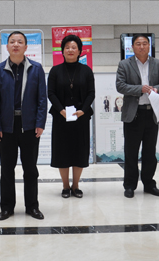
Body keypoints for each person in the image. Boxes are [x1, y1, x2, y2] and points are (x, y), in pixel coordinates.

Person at [0, 31, 47, 221]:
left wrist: (40, 123)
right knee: (7, 169)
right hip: (7, 126)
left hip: (29, 126)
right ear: (7, 46)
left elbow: (42, 99)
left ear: (26, 47)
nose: (16, 44)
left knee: (30, 169)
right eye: (12, 42)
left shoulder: (36, 69)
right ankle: (7, 207)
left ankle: (32, 206)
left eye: (20, 42)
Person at [116, 34, 159, 198]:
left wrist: (157, 89)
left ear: (149, 46)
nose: (142, 46)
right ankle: (130, 185)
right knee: (131, 152)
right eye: (138, 44)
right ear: (132, 47)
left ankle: (149, 184)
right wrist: (140, 89)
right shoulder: (125, 64)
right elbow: (120, 86)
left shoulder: (158, 64)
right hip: (134, 114)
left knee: (150, 152)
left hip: (152, 113)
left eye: (145, 43)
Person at [48, 35, 95, 199]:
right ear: (62, 51)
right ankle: (65, 186)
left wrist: (83, 110)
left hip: (81, 118)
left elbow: (91, 93)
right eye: (67, 47)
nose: (70, 50)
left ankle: (76, 185)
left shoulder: (86, 70)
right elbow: (51, 93)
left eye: (74, 47)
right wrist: (61, 110)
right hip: (61, 118)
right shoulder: (55, 71)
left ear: (79, 51)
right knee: (62, 152)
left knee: (79, 151)